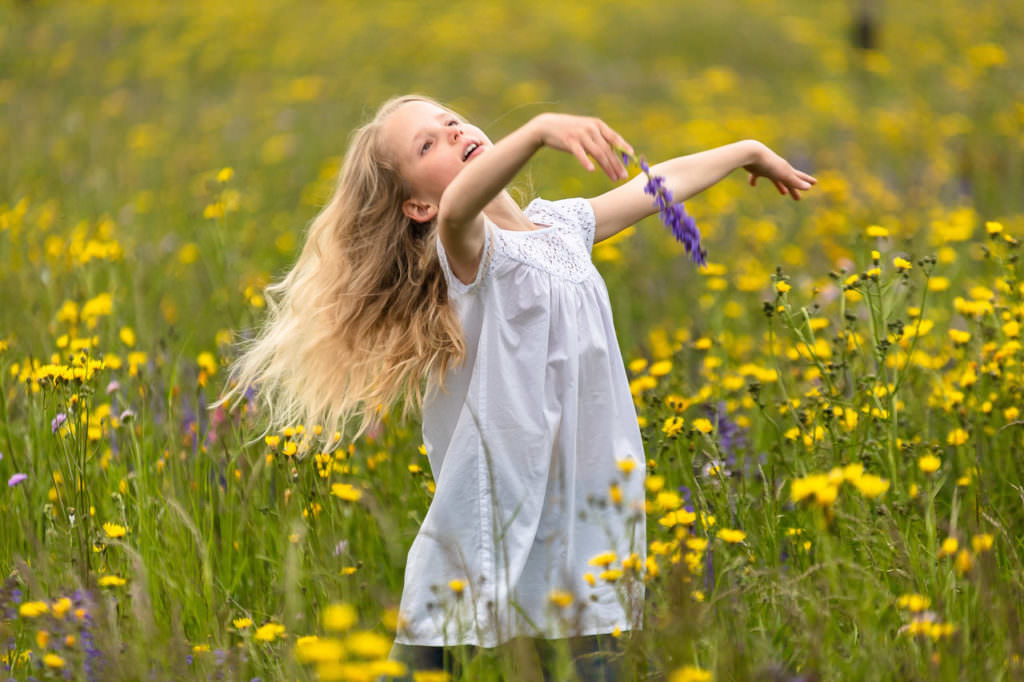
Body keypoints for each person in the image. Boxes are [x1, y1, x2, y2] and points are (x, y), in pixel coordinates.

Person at [218, 95, 815, 680]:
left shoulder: (563, 227)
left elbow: (658, 187)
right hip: (493, 512)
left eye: (450, 121)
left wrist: (746, 151)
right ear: (419, 206)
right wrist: (536, 132)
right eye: (427, 144)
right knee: (432, 654)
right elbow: (460, 210)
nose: (451, 133)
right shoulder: (470, 254)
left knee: (597, 658)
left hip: (585, 513)